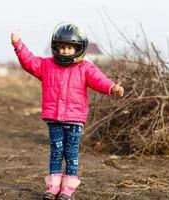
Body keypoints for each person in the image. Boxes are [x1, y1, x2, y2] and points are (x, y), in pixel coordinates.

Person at [11, 22, 124, 200]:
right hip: (54, 118)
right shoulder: (47, 65)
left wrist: (112, 87)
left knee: (71, 153)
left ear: (78, 49)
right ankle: (53, 186)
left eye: (70, 48)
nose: (65, 51)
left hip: (74, 119)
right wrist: (18, 45)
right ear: (56, 47)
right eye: (62, 47)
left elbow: (99, 80)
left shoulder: (85, 68)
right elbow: (29, 62)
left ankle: (68, 188)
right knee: (56, 152)